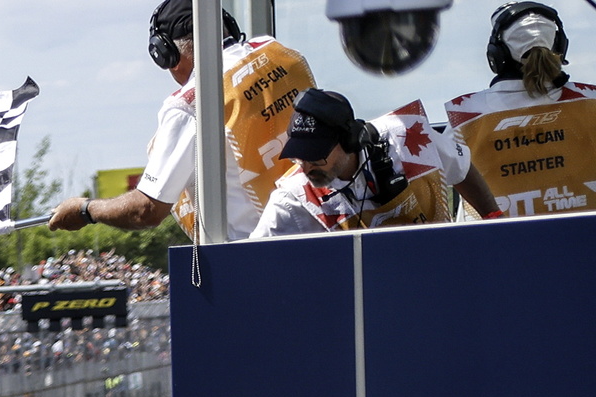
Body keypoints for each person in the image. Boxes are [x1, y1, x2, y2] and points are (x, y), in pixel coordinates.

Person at [47, 2, 314, 242]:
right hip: (327, 228)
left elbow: (146, 210)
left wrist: (85, 210)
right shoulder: (280, 54)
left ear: (166, 55)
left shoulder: (190, 103)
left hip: (259, 256)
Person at [260, 87, 501, 231]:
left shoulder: (407, 136)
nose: (306, 166)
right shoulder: (293, 196)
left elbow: (462, 169)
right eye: (299, 157)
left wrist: (494, 219)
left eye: (316, 156)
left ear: (349, 141)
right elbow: (252, 255)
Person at [444, 4, 596, 218]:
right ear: (560, 45)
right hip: (584, 243)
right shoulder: (591, 101)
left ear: (496, 53)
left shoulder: (464, 115)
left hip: (496, 246)